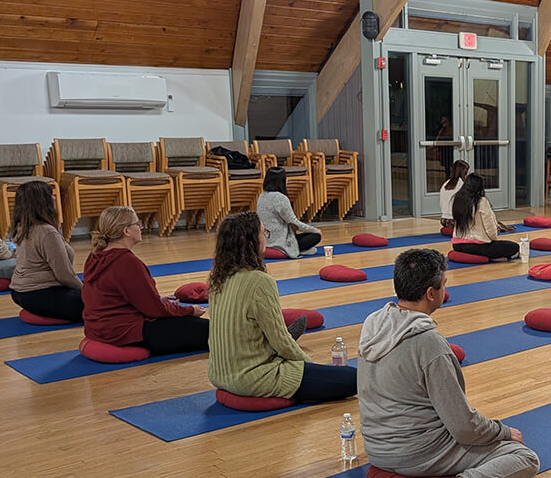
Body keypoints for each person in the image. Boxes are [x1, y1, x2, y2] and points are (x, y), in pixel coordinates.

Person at [356, 248, 539, 478]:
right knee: (525, 458)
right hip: (417, 453)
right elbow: (463, 426)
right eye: (444, 285)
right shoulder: (429, 344)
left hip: (376, 448)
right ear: (432, 293)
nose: (445, 290)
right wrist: (502, 431)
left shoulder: (372, 324)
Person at [207, 211, 354, 402]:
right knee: (351, 378)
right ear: (251, 241)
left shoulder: (218, 279)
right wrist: (307, 364)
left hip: (219, 374)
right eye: (263, 233)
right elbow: (280, 341)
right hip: (251, 377)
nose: (266, 237)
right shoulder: (259, 281)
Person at [82, 206, 209, 355]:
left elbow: (113, 295)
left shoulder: (95, 256)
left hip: (97, 329)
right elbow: (155, 310)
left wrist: (158, 300)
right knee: (209, 330)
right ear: (126, 231)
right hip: (123, 332)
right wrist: (189, 310)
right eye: (137, 223)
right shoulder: (126, 262)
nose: (141, 227)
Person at [8, 181, 83, 322]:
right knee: (104, 303)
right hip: (39, 292)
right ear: (42, 201)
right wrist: (86, 291)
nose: (54, 198)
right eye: (51, 195)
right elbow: (65, 275)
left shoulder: (23, 226)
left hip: (19, 293)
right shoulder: (46, 232)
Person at [450, 173, 519, 260]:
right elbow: (490, 228)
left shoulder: (457, 199)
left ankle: (488, 257)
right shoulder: (481, 201)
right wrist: (494, 239)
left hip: (457, 245)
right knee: (514, 247)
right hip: (477, 246)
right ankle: (491, 257)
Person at [257, 167, 321, 258]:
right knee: (316, 236)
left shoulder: (262, 196)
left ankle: (299, 249)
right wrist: (315, 230)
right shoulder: (280, 198)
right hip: (280, 242)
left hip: (265, 240)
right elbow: (293, 222)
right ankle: (296, 250)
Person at [438, 160, 470, 229]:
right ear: (464, 172)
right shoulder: (461, 184)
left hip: (444, 220)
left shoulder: (446, 183)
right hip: (455, 220)